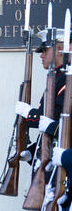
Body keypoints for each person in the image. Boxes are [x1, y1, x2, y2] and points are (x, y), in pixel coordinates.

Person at [15, 29, 68, 164]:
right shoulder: (57, 78)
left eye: (45, 51)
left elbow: (57, 120)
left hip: (59, 160)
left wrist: (30, 113)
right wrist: (31, 152)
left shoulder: (66, 80)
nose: (41, 55)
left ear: (60, 50)